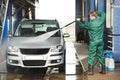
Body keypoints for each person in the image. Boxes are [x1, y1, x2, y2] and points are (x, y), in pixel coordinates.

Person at [76, 11, 106, 75]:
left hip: (94, 42)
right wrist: (96, 12)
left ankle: (90, 71)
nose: (89, 17)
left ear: (93, 16)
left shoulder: (90, 24)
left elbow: (82, 26)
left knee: (91, 56)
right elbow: (103, 13)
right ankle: (103, 70)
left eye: (90, 16)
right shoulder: (101, 20)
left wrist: (78, 21)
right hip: (100, 41)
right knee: (101, 55)